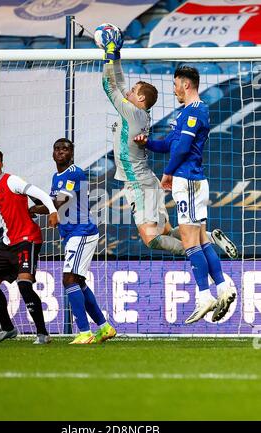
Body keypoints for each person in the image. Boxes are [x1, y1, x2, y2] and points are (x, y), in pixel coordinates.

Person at [101, 28, 237, 261]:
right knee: (165, 231)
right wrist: (117, 56)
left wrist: (109, 53)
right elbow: (120, 83)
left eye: (133, 91)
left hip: (139, 183)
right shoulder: (135, 112)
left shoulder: (132, 114)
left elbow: (109, 85)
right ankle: (208, 241)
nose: (129, 91)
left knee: (151, 239)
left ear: (140, 98)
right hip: (144, 180)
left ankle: (200, 250)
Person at [137, 66, 236, 324]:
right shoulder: (185, 113)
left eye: (175, 84)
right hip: (190, 181)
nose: (174, 89)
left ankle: (204, 296)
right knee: (201, 240)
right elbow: (170, 143)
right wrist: (146, 142)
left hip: (189, 180)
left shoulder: (197, 111)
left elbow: (181, 148)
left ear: (186, 84)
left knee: (190, 241)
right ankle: (224, 288)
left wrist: (167, 173)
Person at [30, 138, 116, 344]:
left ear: (72, 153)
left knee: (68, 280)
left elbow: (59, 203)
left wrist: (32, 209)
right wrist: (29, 195)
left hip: (82, 232)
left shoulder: (74, 173)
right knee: (78, 281)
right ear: (53, 154)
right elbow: (51, 203)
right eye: (57, 149)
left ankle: (85, 332)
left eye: (65, 149)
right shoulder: (57, 176)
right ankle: (105, 328)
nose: (60, 152)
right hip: (71, 234)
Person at [0, 147, 59, 344]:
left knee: (24, 285)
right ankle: (8, 328)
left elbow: (38, 192)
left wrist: (53, 210)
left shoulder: (12, 181)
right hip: (7, 243)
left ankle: (42, 334)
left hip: (27, 239)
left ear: (2, 163)